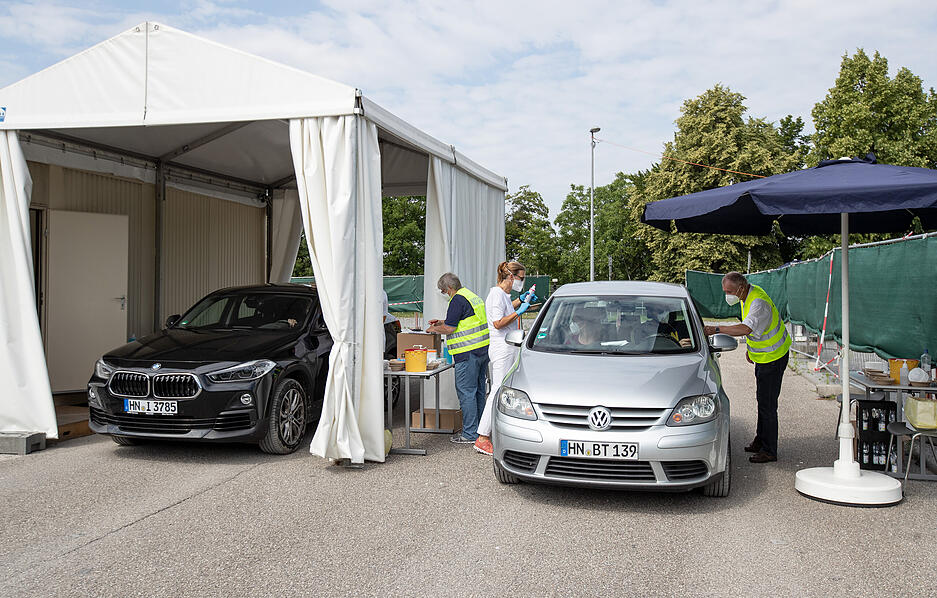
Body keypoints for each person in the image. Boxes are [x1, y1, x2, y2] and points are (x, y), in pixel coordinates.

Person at [704, 271, 791, 463]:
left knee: (768, 405)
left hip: (773, 357)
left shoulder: (757, 302)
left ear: (741, 288)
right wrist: (751, 351)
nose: (727, 295)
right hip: (764, 356)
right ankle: (760, 440)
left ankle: (769, 450)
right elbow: (756, 332)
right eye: (725, 291)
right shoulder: (747, 296)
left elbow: (746, 328)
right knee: (762, 400)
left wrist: (715, 329)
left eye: (730, 291)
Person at [473, 261, 537, 455]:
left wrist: (520, 301)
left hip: (509, 347)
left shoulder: (504, 296)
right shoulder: (496, 294)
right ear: (511, 277)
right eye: (521, 278)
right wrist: (519, 311)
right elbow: (498, 322)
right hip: (502, 348)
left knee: (505, 389)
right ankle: (482, 437)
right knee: (496, 390)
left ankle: (495, 432)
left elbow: (506, 310)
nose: (522, 281)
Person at [426, 273, 490, 444]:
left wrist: (434, 329)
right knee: (478, 391)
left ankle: (469, 434)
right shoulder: (472, 296)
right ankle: (481, 430)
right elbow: (465, 320)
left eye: (443, 291)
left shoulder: (456, 300)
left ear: (449, 288)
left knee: (466, 392)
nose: (445, 294)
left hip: (467, 352)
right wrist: (441, 322)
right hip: (482, 350)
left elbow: (450, 328)